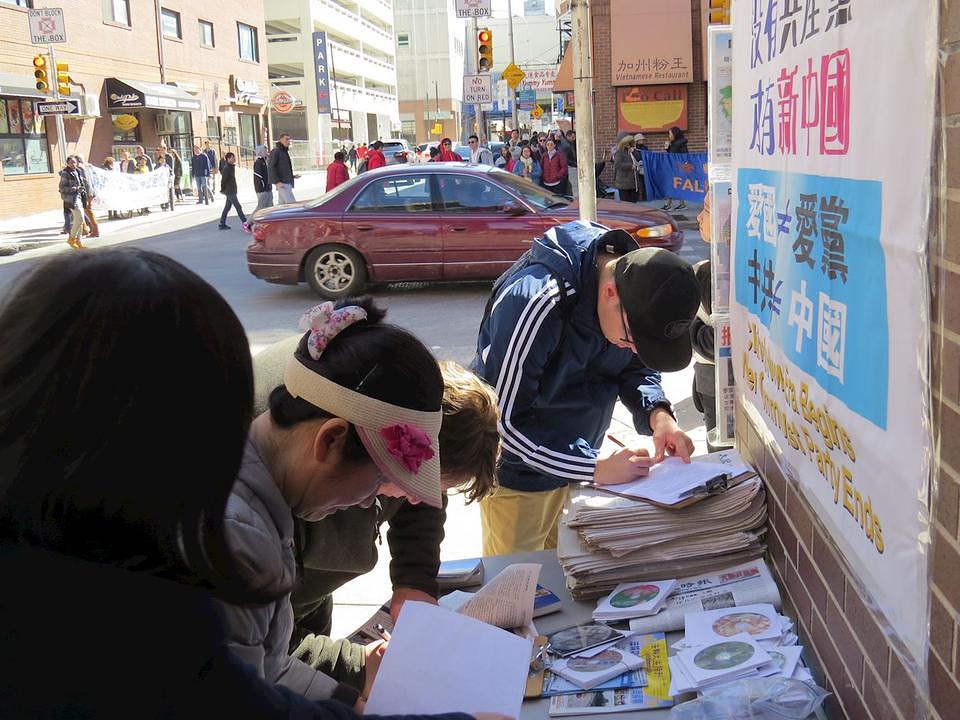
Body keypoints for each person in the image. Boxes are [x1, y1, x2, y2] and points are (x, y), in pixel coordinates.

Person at [0, 247, 493, 720]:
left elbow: (255, 679)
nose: (216, 455)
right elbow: (226, 699)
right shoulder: (199, 554)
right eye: (210, 423)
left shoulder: (82, 546)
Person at [215, 297, 447, 708]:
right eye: (378, 481)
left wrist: (347, 699)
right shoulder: (237, 539)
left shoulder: (266, 503)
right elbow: (238, 701)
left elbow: (270, 665)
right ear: (331, 439)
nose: (368, 504)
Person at [249, 337, 500, 691]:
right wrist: (353, 671)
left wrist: (414, 579)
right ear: (332, 441)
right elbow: (263, 663)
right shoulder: (256, 522)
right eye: (392, 481)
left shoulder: (395, 400)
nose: (411, 500)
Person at [470, 221, 700, 555]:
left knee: (568, 578)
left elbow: (636, 366)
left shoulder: (637, 288)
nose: (634, 349)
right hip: (518, 477)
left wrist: (659, 414)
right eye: (632, 339)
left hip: (579, 465)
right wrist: (594, 467)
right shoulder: (538, 302)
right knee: (518, 587)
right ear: (610, 293)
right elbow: (501, 422)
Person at [59, 156, 85, 249]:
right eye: (71, 162)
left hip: (79, 197)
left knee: (81, 221)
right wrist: (75, 188)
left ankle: (78, 242)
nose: (73, 164)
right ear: (67, 163)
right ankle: (71, 238)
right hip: (71, 199)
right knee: (80, 218)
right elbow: (62, 188)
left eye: (75, 162)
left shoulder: (78, 171)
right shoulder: (65, 173)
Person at [217, 152, 248, 231]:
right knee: (238, 207)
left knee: (227, 207)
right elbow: (223, 180)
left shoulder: (231, 167)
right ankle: (246, 223)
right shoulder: (227, 168)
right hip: (229, 191)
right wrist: (223, 189)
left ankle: (222, 223)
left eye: (234, 157)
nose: (234, 159)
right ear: (228, 159)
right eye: (232, 158)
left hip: (232, 190)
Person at [662, 127, 689, 211]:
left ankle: (668, 205)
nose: (669, 136)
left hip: (677, 168)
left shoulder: (678, 144)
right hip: (676, 168)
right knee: (677, 185)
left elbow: (681, 155)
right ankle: (682, 204)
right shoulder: (676, 143)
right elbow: (672, 154)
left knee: (672, 185)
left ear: (675, 134)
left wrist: (669, 149)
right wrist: (668, 148)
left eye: (670, 134)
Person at [74, 155, 100, 238]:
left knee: (88, 212)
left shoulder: (80, 168)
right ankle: (85, 230)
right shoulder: (87, 167)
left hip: (86, 193)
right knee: (84, 211)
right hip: (90, 191)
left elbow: (84, 182)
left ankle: (95, 231)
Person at [269, 133, 298, 204]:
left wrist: (292, 176)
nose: (288, 142)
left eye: (289, 139)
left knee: (282, 206)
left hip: (286, 182)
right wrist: (277, 181)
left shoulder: (284, 152)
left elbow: (283, 169)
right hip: (282, 183)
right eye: (286, 139)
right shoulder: (276, 151)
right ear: (280, 140)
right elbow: (271, 167)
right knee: (292, 204)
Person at [612, 135, 639, 203]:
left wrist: (634, 151)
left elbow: (639, 159)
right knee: (626, 203)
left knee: (634, 203)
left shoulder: (632, 151)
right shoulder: (619, 153)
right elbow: (617, 164)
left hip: (633, 183)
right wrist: (630, 166)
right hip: (623, 183)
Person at [254, 144, 273, 211]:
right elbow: (258, 177)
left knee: (270, 208)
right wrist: (262, 187)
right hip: (262, 190)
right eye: (265, 150)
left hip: (268, 188)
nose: (266, 152)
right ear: (261, 151)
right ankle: (249, 221)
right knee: (260, 208)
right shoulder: (258, 162)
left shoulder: (266, 161)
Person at [632, 133, 648, 201]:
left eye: (643, 140)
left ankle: (644, 197)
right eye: (641, 140)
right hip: (636, 167)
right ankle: (638, 197)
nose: (642, 141)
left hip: (644, 167)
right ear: (637, 140)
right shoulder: (634, 149)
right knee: (638, 183)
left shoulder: (645, 148)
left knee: (644, 183)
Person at [562, 130, 578, 198]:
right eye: (573, 137)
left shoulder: (571, 144)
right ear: (568, 136)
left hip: (573, 166)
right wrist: (576, 164)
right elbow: (566, 159)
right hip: (570, 167)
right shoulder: (566, 145)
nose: (574, 138)